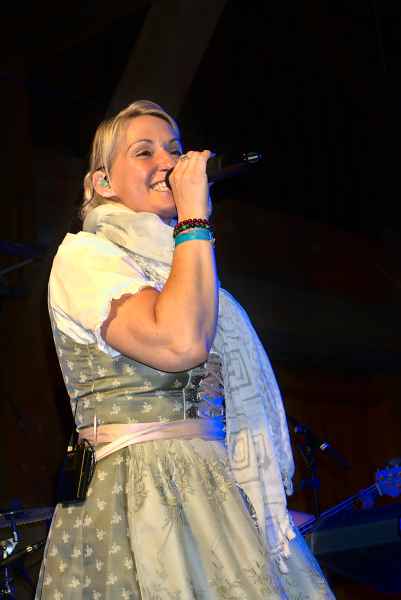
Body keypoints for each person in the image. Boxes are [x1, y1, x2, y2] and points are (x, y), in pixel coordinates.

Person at [35, 100, 335, 599]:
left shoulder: (184, 267)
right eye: (145, 152)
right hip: (139, 491)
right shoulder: (86, 256)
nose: (169, 163)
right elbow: (181, 343)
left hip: (215, 485)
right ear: (104, 182)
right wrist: (194, 218)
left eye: (174, 150)